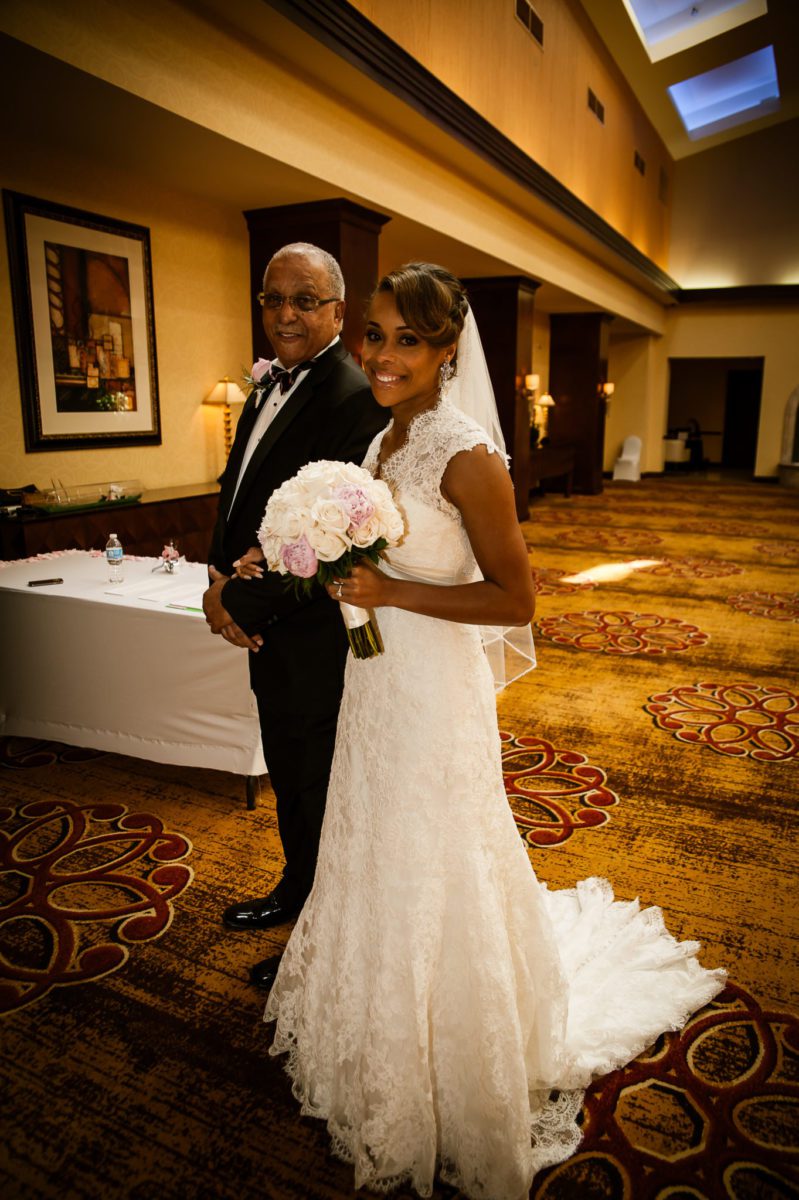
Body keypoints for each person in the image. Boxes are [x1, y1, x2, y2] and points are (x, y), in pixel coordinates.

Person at [261, 263, 726, 1200]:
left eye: (407, 340)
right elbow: (372, 548)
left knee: (430, 840)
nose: (382, 355)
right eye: (376, 334)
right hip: (377, 681)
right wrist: (308, 557)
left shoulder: (465, 454)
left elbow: (517, 600)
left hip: (433, 688)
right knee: (376, 834)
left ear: (446, 351)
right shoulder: (385, 437)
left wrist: (390, 591)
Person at [203, 243, 387, 985]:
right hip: (269, 629)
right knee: (289, 769)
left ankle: (320, 936)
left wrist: (232, 602)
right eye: (273, 298)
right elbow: (239, 486)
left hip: (315, 635)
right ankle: (296, 887)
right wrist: (216, 572)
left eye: (305, 301)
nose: (285, 314)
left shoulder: (351, 396)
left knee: (316, 781)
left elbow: (331, 544)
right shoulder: (265, 383)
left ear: (339, 312)